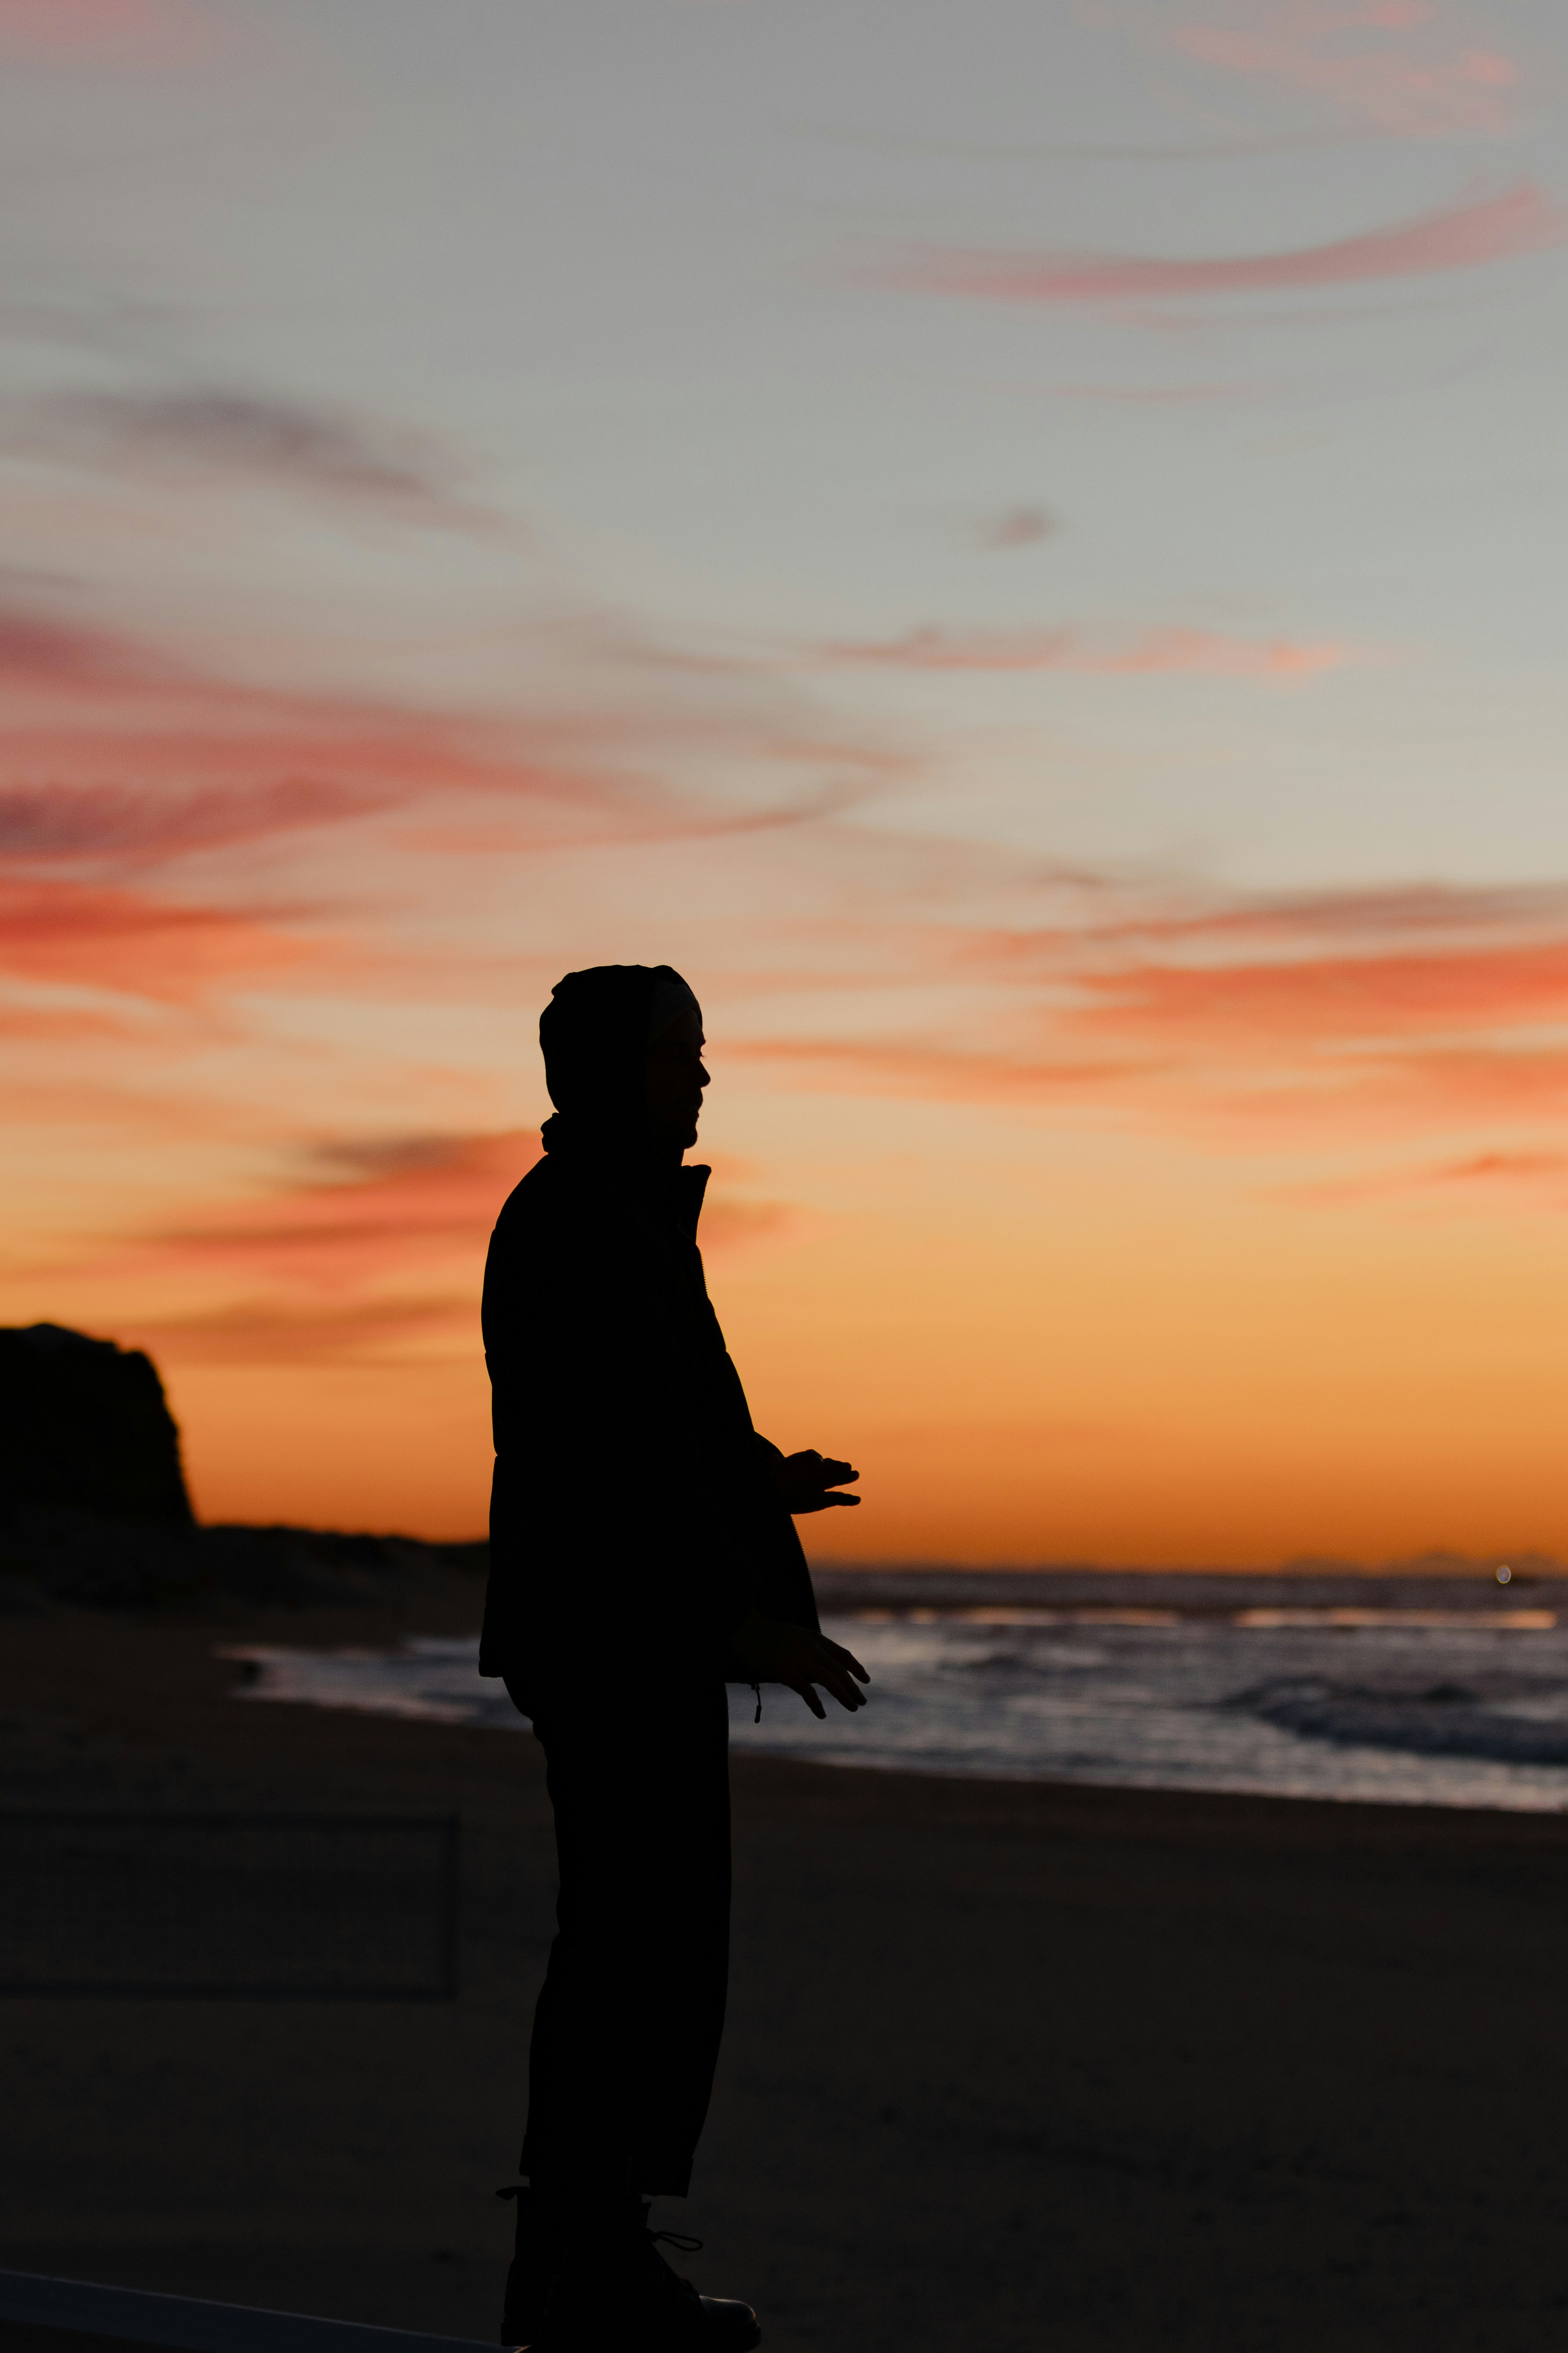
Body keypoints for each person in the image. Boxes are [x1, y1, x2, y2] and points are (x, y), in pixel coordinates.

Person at [480, 963, 875, 2353]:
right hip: (613, 1639)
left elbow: (661, 1427)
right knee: (631, 1949)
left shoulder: (613, 1212)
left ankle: (591, 2256)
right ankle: (584, 2268)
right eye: (679, 1054)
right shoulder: (583, 1221)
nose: (703, 1077)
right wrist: (734, 1622)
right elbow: (609, 1469)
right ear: (607, 1070)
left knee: (644, 1945)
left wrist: (761, 1486)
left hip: (617, 1632)